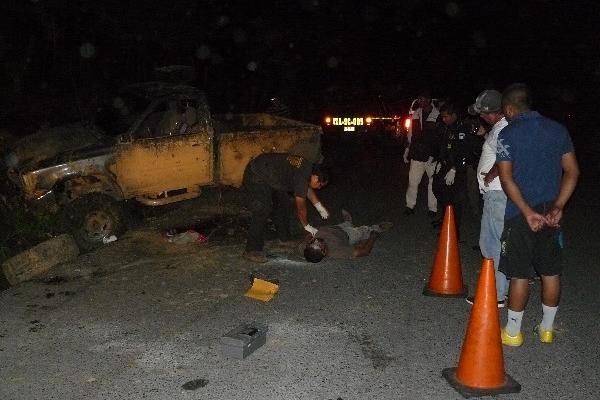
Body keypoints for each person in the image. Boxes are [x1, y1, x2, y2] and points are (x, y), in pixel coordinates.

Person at [496, 83, 579, 346]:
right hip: (550, 213)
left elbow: (506, 178)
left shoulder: (508, 134)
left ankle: (512, 333)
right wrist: (558, 207)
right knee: (551, 272)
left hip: (521, 214)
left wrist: (527, 212)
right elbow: (572, 172)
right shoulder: (558, 129)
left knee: (519, 274)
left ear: (510, 108)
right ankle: (546, 329)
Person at [464, 89, 509, 308]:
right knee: (490, 243)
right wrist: (484, 134)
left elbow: (507, 156)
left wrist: (491, 175)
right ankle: (497, 290)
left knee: (495, 244)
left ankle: (498, 294)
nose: (481, 116)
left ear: (495, 112)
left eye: (484, 113)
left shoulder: (505, 129)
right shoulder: (498, 128)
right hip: (494, 194)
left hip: (498, 194)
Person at [242, 152, 330, 263]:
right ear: (316, 178)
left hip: (272, 177)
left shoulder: (308, 170)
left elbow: (306, 189)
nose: (319, 188)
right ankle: (251, 250)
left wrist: (319, 206)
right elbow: (301, 208)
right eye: (320, 185)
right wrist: (307, 226)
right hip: (256, 174)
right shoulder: (303, 176)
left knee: (283, 204)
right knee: (263, 209)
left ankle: (283, 239)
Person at [431, 102, 482, 234]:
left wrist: (454, 168)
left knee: (455, 200)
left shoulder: (462, 128)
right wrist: (438, 161)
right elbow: (444, 147)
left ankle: (454, 230)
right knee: (440, 192)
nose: (444, 119)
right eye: (442, 117)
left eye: (446, 116)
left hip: (458, 169)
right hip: (445, 165)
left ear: (454, 115)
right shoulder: (447, 127)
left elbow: (464, 151)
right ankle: (444, 221)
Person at [303, 210, 393, 262]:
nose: (316, 241)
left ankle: (348, 223)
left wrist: (309, 235)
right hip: (349, 234)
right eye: (318, 245)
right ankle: (376, 228)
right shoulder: (336, 251)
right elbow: (364, 252)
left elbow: (307, 239)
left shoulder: (310, 246)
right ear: (324, 252)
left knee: (343, 225)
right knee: (362, 230)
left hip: (335, 228)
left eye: (313, 242)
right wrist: (373, 237)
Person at [403, 92, 440, 216]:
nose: (421, 102)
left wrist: (436, 153)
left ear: (429, 100)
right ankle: (410, 206)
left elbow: (440, 137)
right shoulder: (415, 114)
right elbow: (410, 134)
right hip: (417, 154)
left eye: (423, 99)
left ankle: (432, 208)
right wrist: (407, 149)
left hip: (432, 156)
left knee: (432, 183)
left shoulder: (438, 114)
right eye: (419, 100)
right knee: (413, 182)